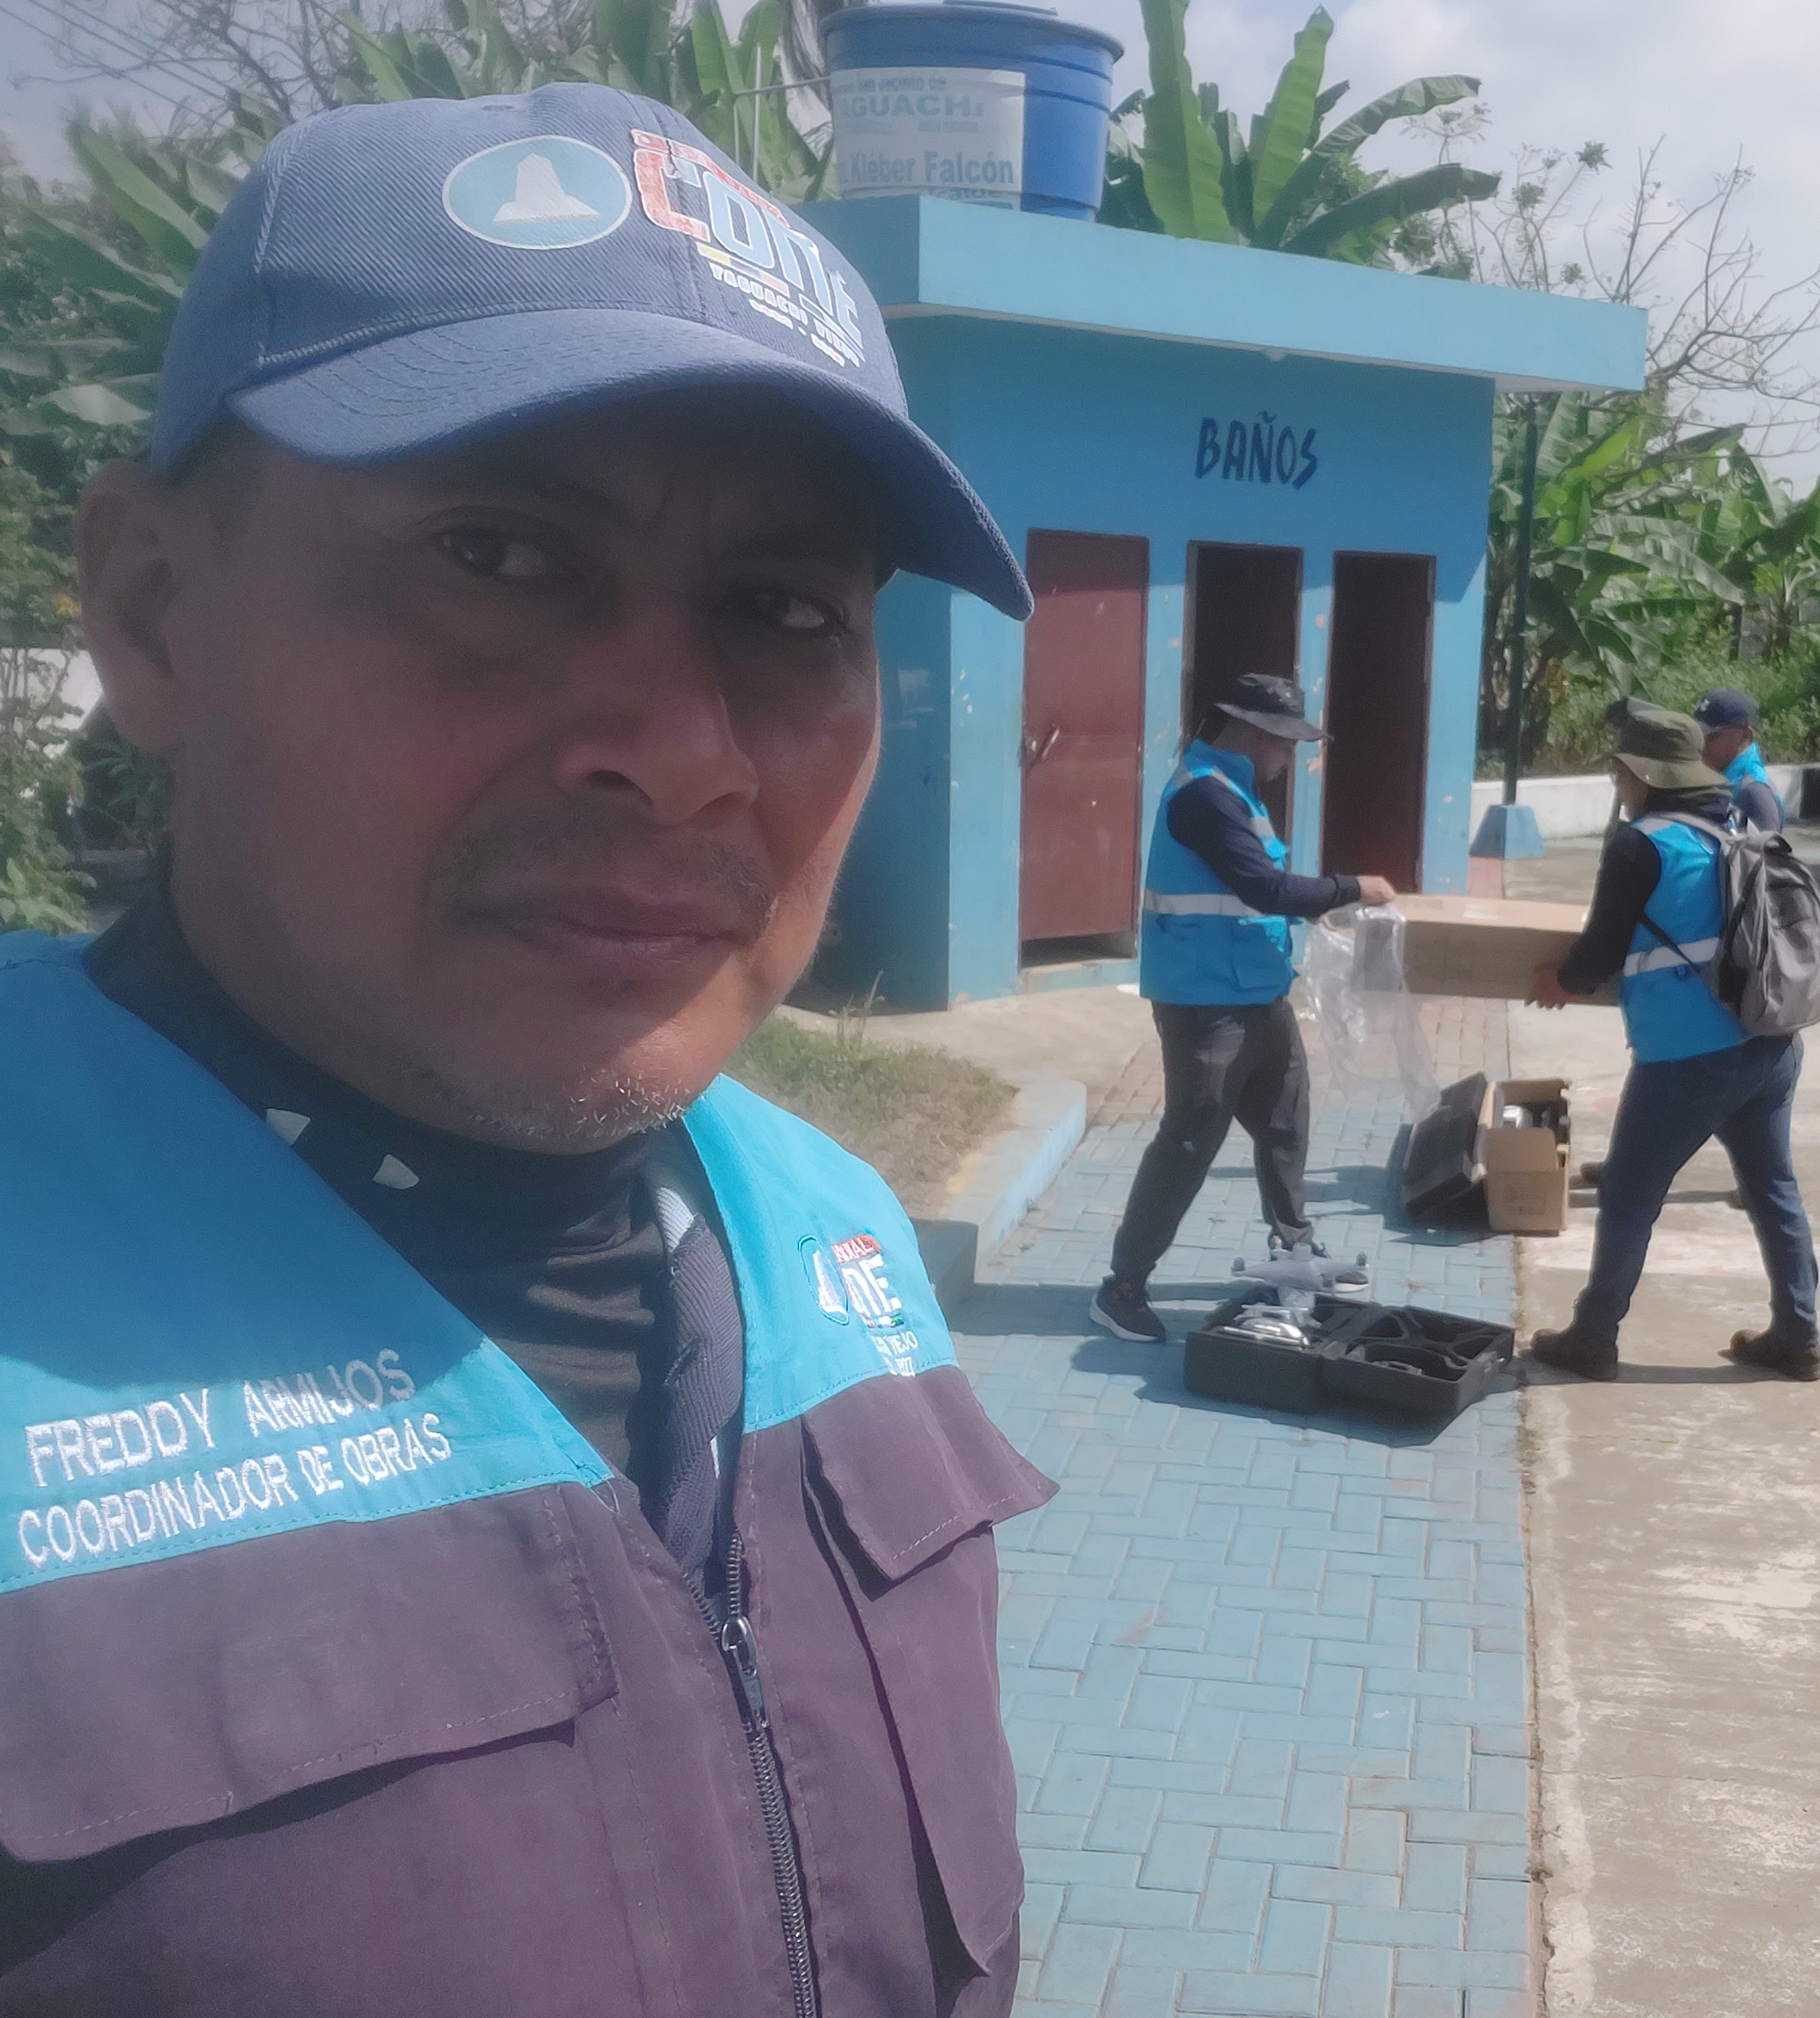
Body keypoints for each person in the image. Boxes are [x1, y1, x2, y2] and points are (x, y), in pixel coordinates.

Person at [0, 87, 1058, 2016]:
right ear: (154, 612)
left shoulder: (839, 1242)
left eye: (783, 609)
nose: (687, 753)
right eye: (496, 555)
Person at [1091, 674, 1393, 1345]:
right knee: (1190, 1140)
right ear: (1258, 736)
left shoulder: (1236, 788)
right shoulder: (1205, 795)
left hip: (1256, 991)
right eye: (1288, 745)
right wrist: (1351, 889)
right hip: (1205, 1004)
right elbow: (1262, 886)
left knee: (1285, 1124)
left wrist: (1314, 911)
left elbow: (1254, 891)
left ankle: (1294, 1249)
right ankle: (1122, 1286)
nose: (1292, 758)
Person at [1525, 703, 1820, 1382]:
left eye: (1619, 772)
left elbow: (1598, 956)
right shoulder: (1735, 823)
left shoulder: (1640, 846)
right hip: (1770, 1041)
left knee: (1629, 1194)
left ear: (1641, 774)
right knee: (1773, 1189)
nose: (1617, 784)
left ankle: (1593, 1336)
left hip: (1690, 1057)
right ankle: (1798, 1336)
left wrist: (1557, 981)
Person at [1695, 687, 1786, 833]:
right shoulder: (1723, 776)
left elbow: (1767, 846)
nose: (1702, 743)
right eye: (1699, 734)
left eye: (1712, 735)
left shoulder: (1754, 792)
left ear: (1746, 734)